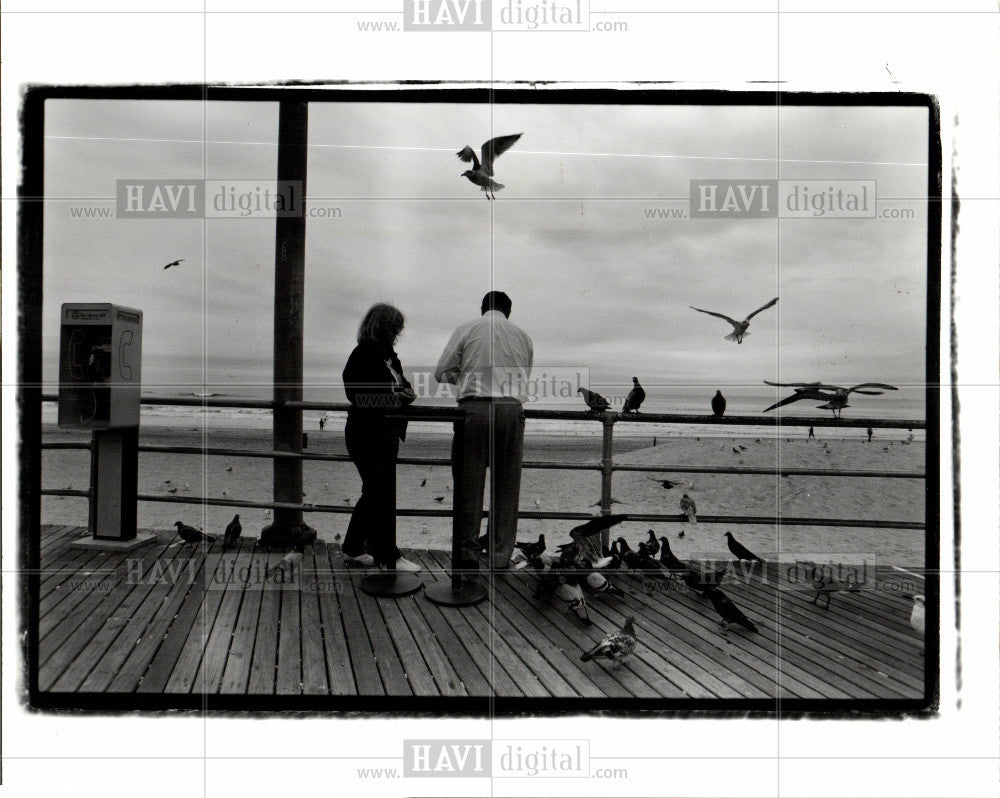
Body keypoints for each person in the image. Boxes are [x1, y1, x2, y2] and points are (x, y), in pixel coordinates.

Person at [435, 291, 533, 571]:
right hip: (511, 410)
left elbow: (441, 372)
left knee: (469, 485)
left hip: (475, 410)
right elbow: (525, 374)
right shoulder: (523, 336)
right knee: (506, 488)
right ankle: (500, 556)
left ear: (482, 309)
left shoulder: (467, 329)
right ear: (508, 312)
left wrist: (465, 376)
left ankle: (468, 555)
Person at [341, 303, 420, 573]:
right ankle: (388, 556)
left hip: (385, 433)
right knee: (380, 493)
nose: (397, 333)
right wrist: (394, 398)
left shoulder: (388, 355)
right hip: (366, 434)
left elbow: (402, 384)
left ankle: (353, 548)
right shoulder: (362, 355)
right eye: (394, 328)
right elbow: (357, 396)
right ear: (383, 327)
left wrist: (407, 392)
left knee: (374, 493)